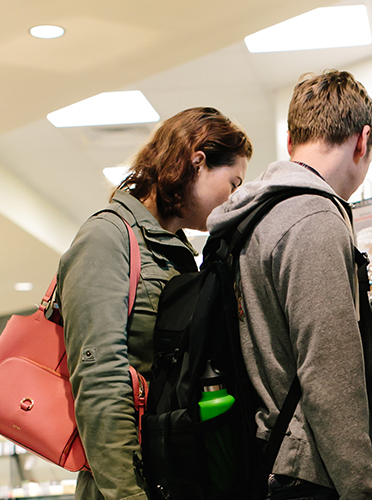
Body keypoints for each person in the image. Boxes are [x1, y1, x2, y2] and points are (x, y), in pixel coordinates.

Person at [207, 70, 372, 500]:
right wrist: (364, 490)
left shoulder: (252, 219)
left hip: (265, 460)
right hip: (310, 476)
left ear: (292, 143)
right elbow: (330, 374)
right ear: (362, 141)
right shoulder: (314, 219)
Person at [57, 107, 252, 500]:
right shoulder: (106, 238)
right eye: (232, 183)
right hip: (127, 485)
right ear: (198, 161)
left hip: (172, 472)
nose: (233, 198)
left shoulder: (175, 250)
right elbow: (100, 379)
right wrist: (129, 495)